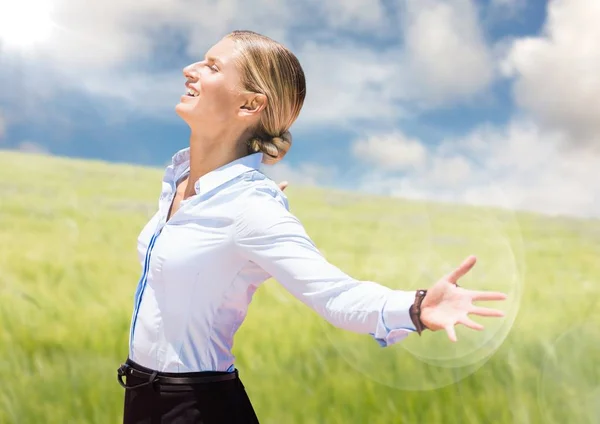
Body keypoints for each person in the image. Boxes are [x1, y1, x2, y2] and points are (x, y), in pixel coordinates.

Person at [116, 30, 508, 424]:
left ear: (251, 104)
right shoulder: (180, 183)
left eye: (212, 66)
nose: (190, 70)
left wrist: (417, 306)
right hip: (140, 398)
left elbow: (334, 294)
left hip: (198, 410)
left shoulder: (250, 207)